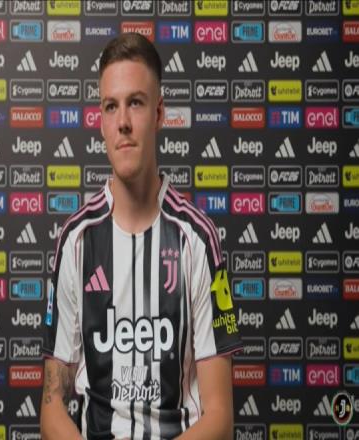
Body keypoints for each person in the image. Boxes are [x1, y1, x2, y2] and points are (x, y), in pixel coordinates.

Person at [41, 33, 242, 440]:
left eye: (135, 102)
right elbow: (51, 407)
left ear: (159, 113)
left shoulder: (197, 239)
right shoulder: (76, 240)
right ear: (100, 121)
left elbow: (220, 417)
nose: (123, 122)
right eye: (110, 106)